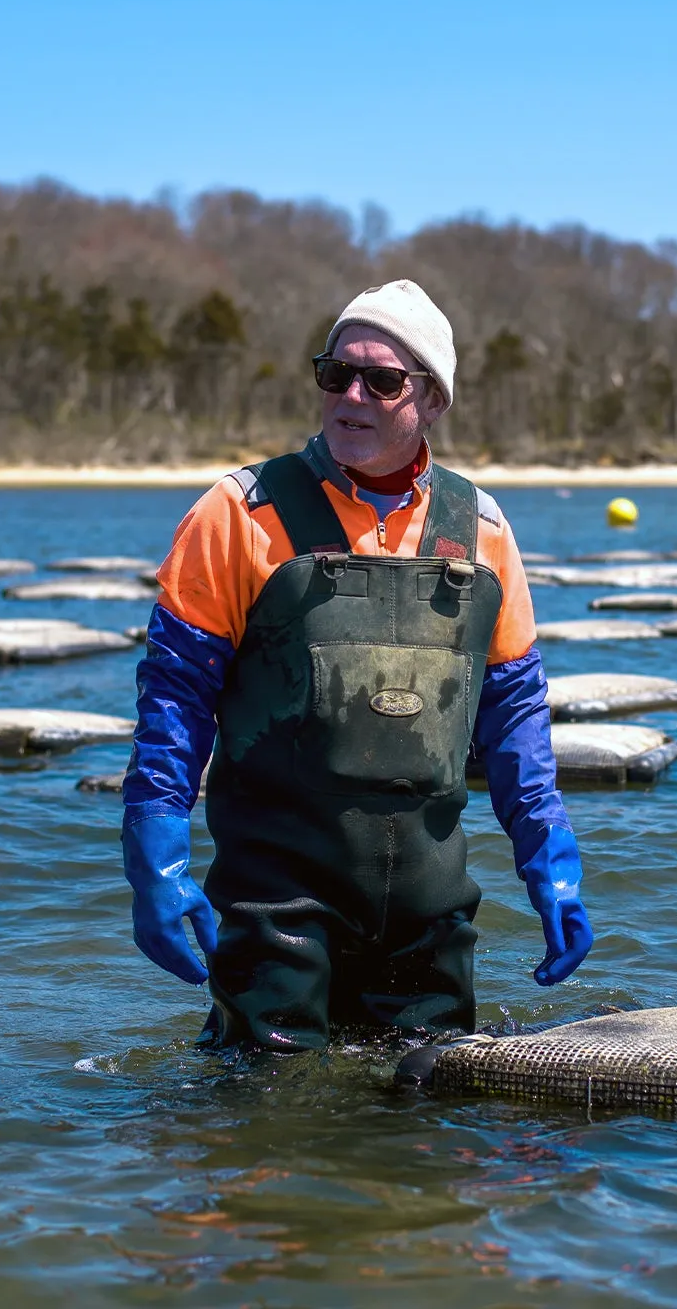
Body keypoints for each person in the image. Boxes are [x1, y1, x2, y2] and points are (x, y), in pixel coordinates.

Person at [121, 278, 593, 1050]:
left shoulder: (480, 529)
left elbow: (513, 713)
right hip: (277, 908)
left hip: (428, 915)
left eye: (382, 380)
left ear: (433, 400)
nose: (352, 395)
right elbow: (173, 700)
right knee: (260, 1122)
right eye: (336, 372)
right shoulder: (236, 514)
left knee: (427, 1138)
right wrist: (154, 848)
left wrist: (548, 852)